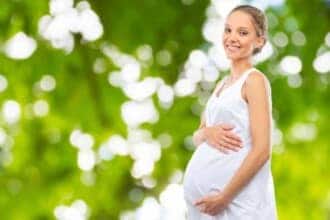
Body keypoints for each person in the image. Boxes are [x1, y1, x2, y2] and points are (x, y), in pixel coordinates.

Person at [183, 5, 277, 219]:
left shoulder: (254, 80)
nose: (232, 37)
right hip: (207, 211)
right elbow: (198, 135)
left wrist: (224, 197)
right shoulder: (220, 86)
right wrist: (207, 134)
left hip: (239, 206)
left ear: (259, 41)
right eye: (228, 30)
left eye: (243, 33)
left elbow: (262, 150)